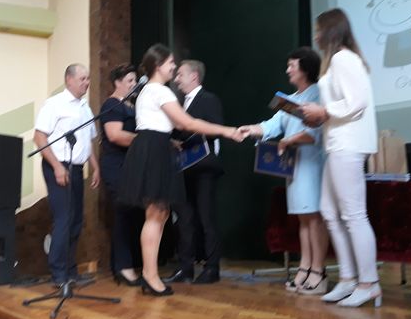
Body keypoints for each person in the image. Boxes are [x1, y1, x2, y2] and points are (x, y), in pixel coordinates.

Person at [118, 44, 245, 296]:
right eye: (170, 63)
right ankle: (150, 276)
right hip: (155, 151)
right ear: (158, 66)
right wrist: (227, 131)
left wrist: (171, 142)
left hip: (152, 147)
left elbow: (158, 125)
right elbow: (187, 123)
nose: (174, 67)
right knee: (156, 214)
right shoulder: (160, 90)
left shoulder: (147, 91)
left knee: (159, 213)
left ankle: (150, 274)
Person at [300, 9, 380, 308]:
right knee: (329, 212)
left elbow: (357, 102)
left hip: (348, 143)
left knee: (353, 214)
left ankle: (369, 283)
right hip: (337, 143)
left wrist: (324, 112)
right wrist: (320, 116)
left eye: (318, 30)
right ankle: (348, 279)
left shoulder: (343, 58)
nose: (315, 36)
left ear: (330, 31)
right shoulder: (337, 60)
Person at [239, 48, 328, 294]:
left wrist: (289, 141)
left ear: (305, 68)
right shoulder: (289, 99)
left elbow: (315, 132)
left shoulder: (319, 93)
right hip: (294, 165)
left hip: (312, 163)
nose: (288, 70)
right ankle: (305, 268)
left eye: (292, 66)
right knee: (303, 218)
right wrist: (251, 129)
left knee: (314, 218)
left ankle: (319, 272)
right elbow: (271, 126)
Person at [33, 64, 100, 286]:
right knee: (63, 219)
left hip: (77, 168)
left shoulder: (85, 108)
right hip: (58, 166)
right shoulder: (55, 104)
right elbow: (39, 138)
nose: (86, 83)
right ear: (68, 80)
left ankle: (71, 271)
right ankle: (58, 274)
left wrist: (95, 167)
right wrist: (57, 167)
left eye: (88, 78)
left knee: (76, 220)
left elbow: (87, 142)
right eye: (82, 79)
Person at [164, 60, 225, 285]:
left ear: (194, 76)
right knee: (185, 219)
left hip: (204, 168)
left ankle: (212, 268)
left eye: (180, 74)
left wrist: (187, 133)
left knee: (206, 218)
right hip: (184, 168)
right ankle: (185, 268)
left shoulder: (209, 99)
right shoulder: (179, 104)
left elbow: (215, 129)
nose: (177, 79)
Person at [98, 64, 143, 286]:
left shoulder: (130, 105)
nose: (134, 84)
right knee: (123, 214)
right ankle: (123, 268)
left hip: (130, 166)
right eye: (129, 81)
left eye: (135, 80)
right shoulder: (111, 104)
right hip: (116, 166)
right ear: (117, 82)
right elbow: (115, 135)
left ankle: (124, 265)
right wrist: (145, 140)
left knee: (131, 215)